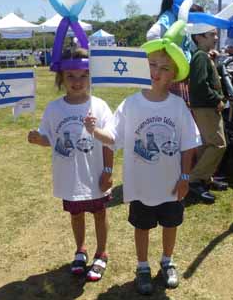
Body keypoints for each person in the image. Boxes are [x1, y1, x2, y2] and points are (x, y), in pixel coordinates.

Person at [85, 46, 201, 295]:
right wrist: (94, 131)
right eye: (152, 64)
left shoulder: (178, 105)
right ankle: (142, 266)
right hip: (141, 184)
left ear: (173, 75)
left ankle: (167, 261)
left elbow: (189, 144)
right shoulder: (131, 104)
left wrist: (184, 176)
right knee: (142, 226)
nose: (157, 71)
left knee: (171, 224)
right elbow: (113, 137)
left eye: (164, 67)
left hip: (171, 184)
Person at [28, 49, 113, 282]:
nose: (77, 82)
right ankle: (81, 249)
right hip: (70, 176)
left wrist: (108, 171)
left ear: (90, 77)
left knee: (99, 213)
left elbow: (110, 142)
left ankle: (101, 252)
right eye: (71, 76)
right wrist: (38, 139)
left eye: (83, 75)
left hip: (94, 173)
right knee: (76, 216)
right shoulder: (54, 109)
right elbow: (50, 138)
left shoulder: (100, 106)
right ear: (61, 79)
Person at [189, 28, 228, 204]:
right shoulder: (200, 57)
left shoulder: (203, 55)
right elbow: (199, 85)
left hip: (204, 107)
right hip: (206, 107)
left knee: (206, 145)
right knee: (219, 144)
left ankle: (205, 179)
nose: (216, 37)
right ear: (199, 36)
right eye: (211, 34)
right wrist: (217, 99)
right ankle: (195, 180)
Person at [146, 0, 196, 102]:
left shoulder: (182, 17)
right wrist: (168, 58)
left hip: (179, 78)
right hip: (171, 80)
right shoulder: (170, 16)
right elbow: (152, 35)